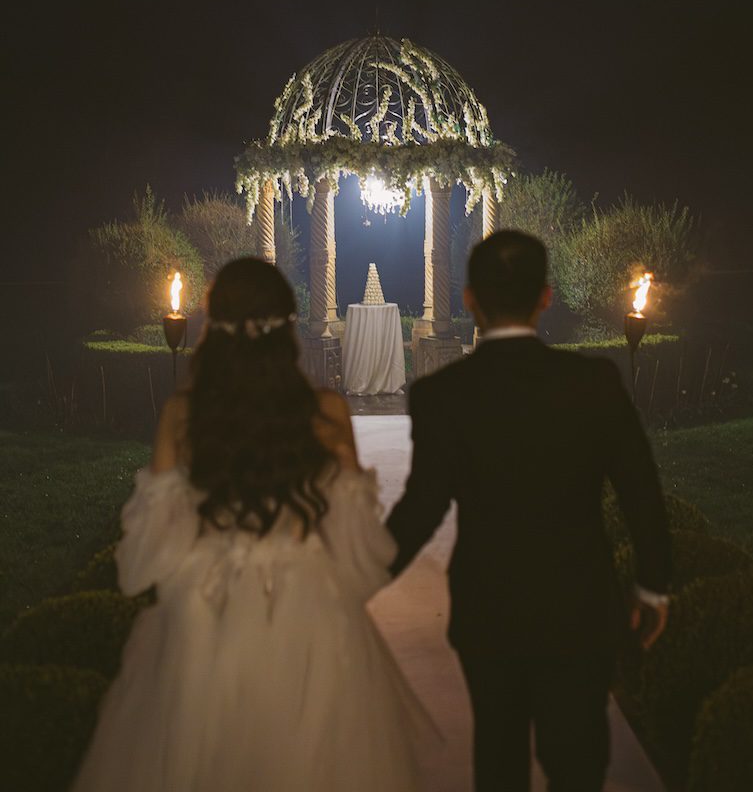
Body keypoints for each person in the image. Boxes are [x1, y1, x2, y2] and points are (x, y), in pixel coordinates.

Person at [73, 257, 426, 792]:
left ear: (214, 329)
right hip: (307, 612)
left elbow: (149, 554)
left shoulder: (183, 414)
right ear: (286, 328)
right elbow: (360, 553)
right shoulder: (326, 411)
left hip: (205, 613)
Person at [386, 230, 672, 792]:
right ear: (545, 297)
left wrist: (359, 578)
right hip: (580, 608)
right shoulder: (594, 382)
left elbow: (421, 509)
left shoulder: (442, 394)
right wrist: (653, 586)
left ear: (469, 299)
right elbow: (642, 491)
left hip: (487, 608)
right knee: (580, 762)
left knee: (498, 758)